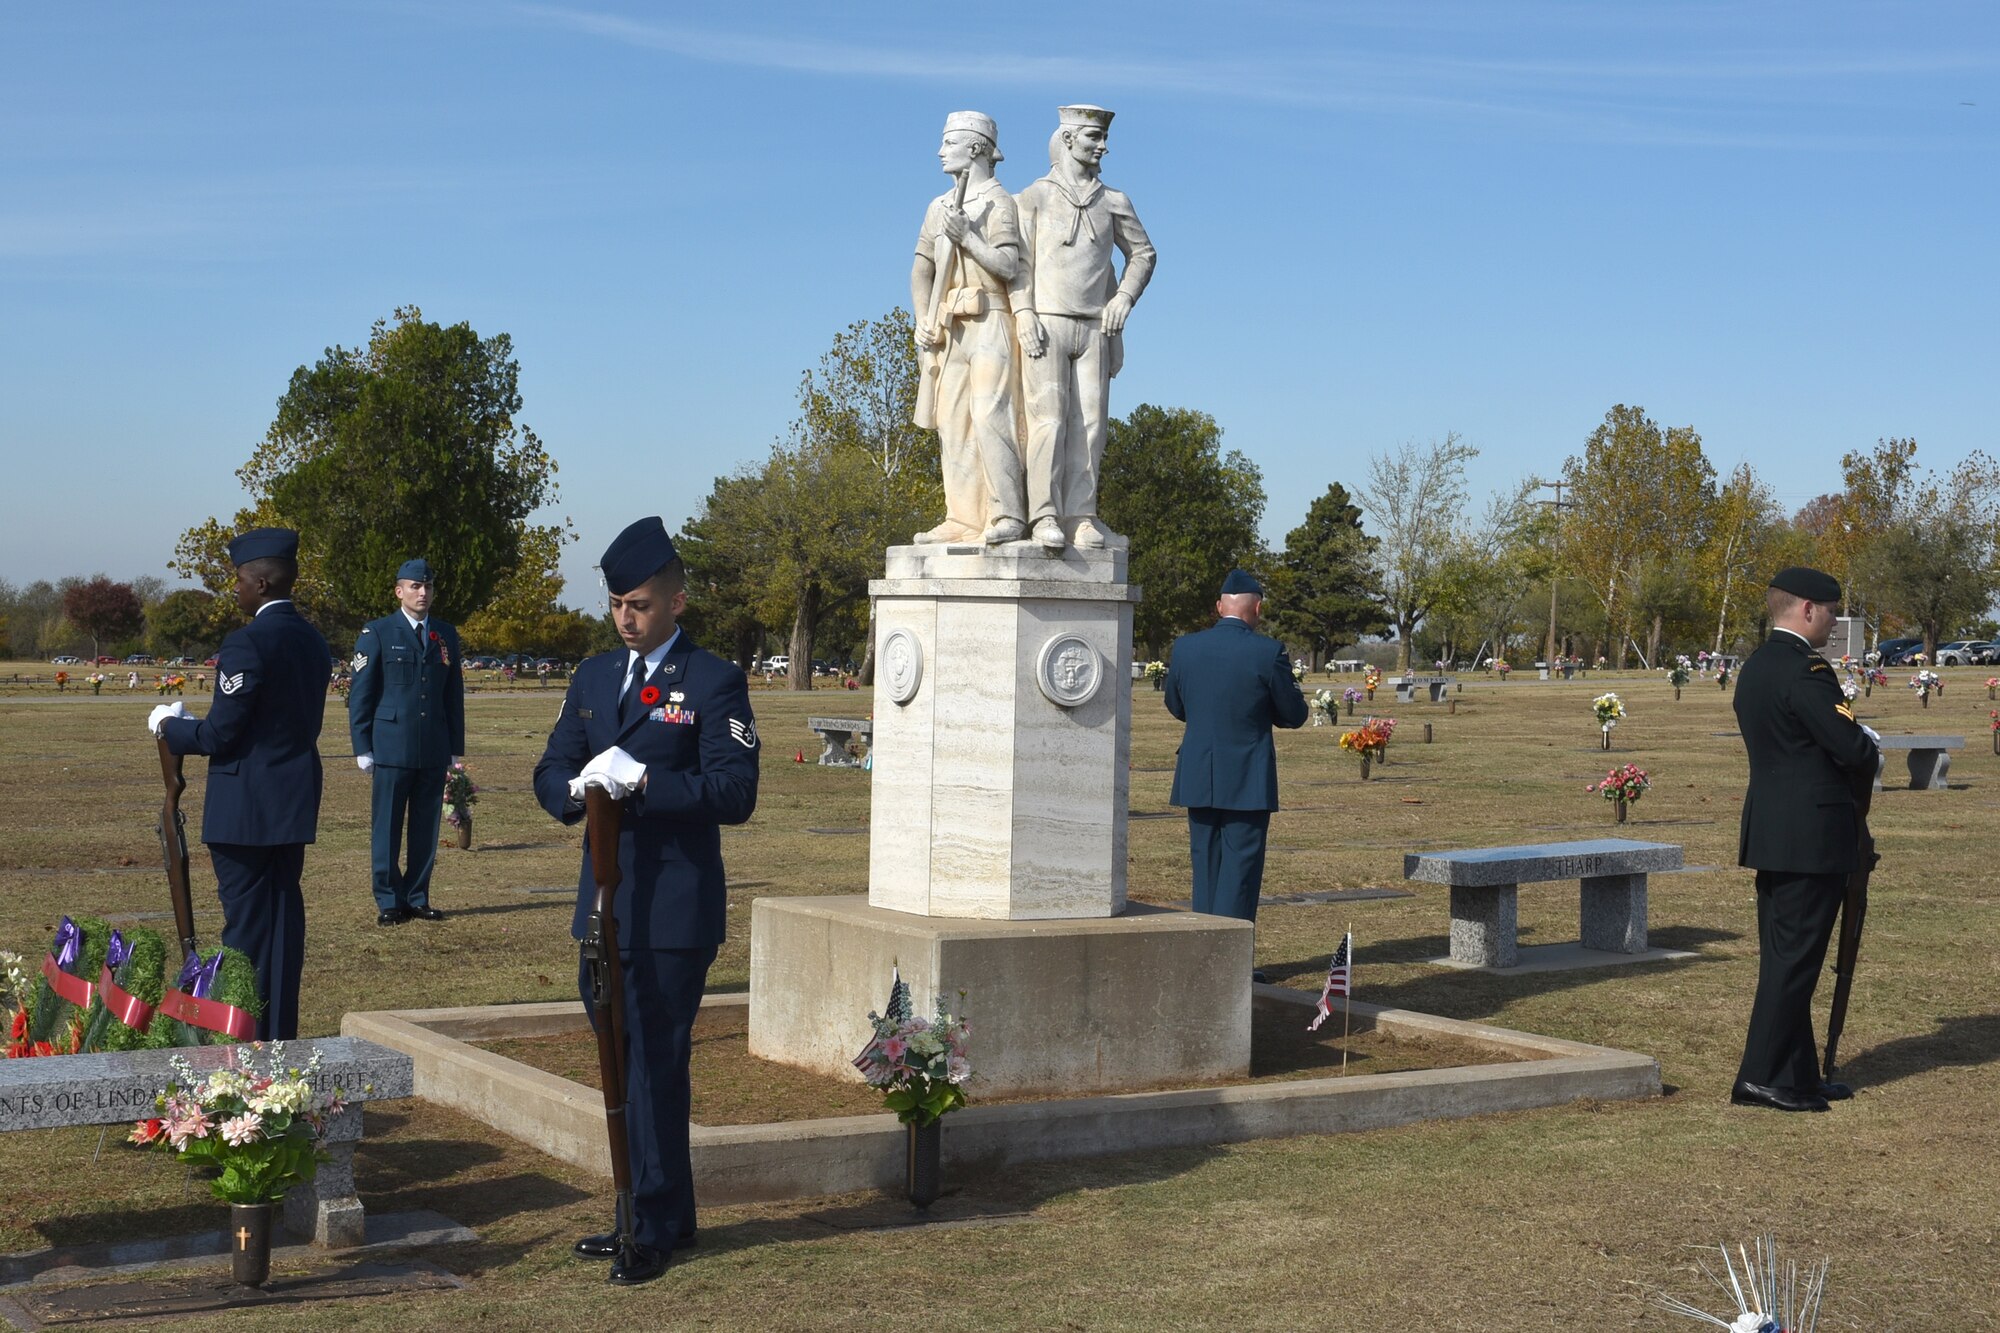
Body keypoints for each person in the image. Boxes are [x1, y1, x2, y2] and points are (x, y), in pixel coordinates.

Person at [533, 516, 761, 1285]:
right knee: (619, 1053)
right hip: (604, 900)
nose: (625, 617)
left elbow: (735, 791)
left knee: (653, 1061)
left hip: (673, 906)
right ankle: (655, 1209)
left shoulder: (714, 680)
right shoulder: (596, 677)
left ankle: (651, 1222)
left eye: (639, 604)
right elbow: (551, 766)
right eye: (616, 604)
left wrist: (647, 783)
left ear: (676, 603)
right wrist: (574, 787)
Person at [150, 528, 329, 1041]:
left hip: (246, 807)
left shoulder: (248, 641)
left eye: (241, 580)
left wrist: (169, 726)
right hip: (292, 801)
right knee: (282, 924)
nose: (237, 589)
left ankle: (240, 1041)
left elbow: (222, 733)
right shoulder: (314, 641)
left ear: (264, 582)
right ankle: (278, 1036)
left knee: (247, 930)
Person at [1731, 565, 1880, 1113]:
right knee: (1794, 962)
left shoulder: (1758, 666)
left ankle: (1795, 1073)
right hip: (1810, 836)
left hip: (1775, 831)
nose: (1835, 621)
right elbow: (1852, 749)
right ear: (1807, 609)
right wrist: (1868, 745)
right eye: (1832, 611)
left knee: (1787, 957)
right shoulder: (1806, 671)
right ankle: (1760, 1077)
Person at [1011, 103, 1157, 551]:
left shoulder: (1115, 200)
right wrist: (1024, 313)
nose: (1102, 147)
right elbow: (1019, 263)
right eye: (1093, 138)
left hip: (1095, 326)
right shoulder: (1033, 196)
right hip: (1047, 322)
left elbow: (1144, 254)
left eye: (1103, 138)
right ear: (1069, 139)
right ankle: (1045, 513)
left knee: (1092, 426)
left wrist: (1124, 299)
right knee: (1048, 422)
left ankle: (1082, 514)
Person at [1163, 570, 1308, 983]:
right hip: (1247, 776)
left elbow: (1176, 704)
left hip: (1198, 772)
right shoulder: (1267, 652)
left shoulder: (1186, 648)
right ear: (1257, 608)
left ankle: (1202, 956)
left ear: (1219, 605)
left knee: (1205, 866)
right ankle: (1229, 964)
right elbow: (1293, 714)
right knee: (1240, 872)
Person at [910, 110, 1030, 546]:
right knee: (953, 421)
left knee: (990, 414)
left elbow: (1008, 265)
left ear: (976, 147)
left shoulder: (1000, 202)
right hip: (949, 328)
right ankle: (961, 517)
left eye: (949, 142)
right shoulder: (937, 206)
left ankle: (1007, 513)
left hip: (991, 320)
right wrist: (924, 318)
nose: (940, 151)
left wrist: (968, 238)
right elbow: (922, 268)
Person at [347, 558, 466, 926]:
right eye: (415, 586)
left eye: (428, 586)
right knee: (387, 827)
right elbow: (362, 694)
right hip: (391, 746)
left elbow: (452, 694)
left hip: (432, 746)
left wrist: (453, 747)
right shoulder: (378, 632)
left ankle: (417, 896)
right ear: (400, 591)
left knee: (425, 827)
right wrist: (362, 746)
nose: (423, 593)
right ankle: (388, 899)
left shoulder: (445, 634)